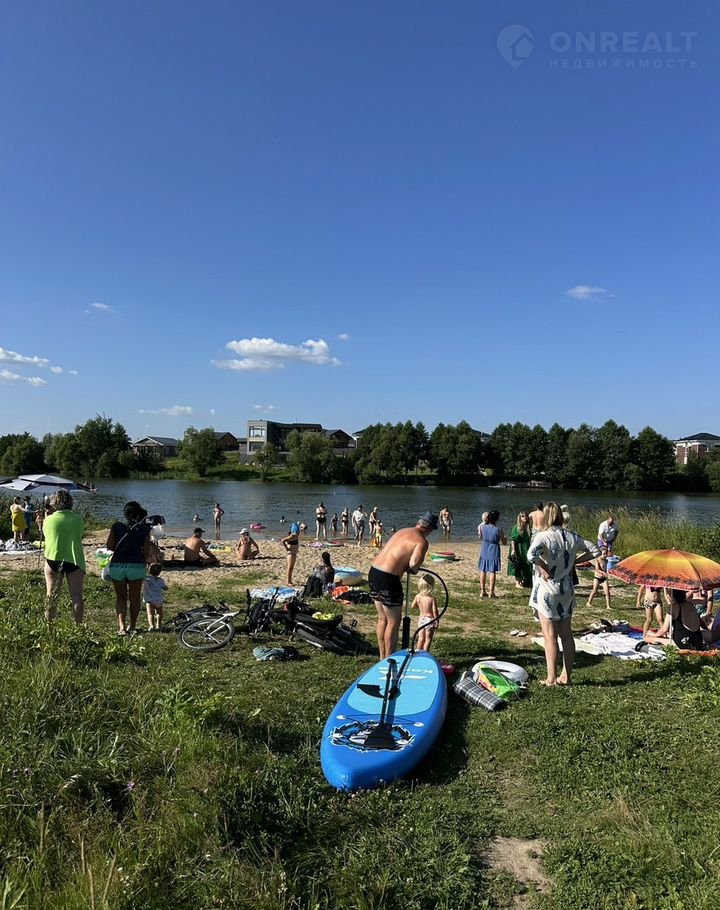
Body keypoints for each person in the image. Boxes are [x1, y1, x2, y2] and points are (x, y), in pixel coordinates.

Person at [528, 502, 601, 686]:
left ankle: (551, 677)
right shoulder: (572, 536)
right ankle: (566, 676)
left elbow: (531, 555)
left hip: (548, 588)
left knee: (550, 635)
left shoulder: (543, 536)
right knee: (566, 634)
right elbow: (596, 550)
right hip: (566, 589)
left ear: (546, 516)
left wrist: (543, 565)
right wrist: (575, 561)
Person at [369, 511, 438, 659]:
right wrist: (414, 568)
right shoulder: (422, 542)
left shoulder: (402, 531)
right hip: (389, 578)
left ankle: (382, 657)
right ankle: (389, 659)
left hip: (374, 572)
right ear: (430, 530)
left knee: (382, 619)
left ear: (418, 523)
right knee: (393, 622)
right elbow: (413, 564)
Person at [107, 501, 154, 634]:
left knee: (120, 597)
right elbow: (146, 554)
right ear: (139, 514)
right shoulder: (144, 530)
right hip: (136, 565)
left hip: (118, 564)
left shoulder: (116, 526)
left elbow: (110, 546)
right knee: (134, 597)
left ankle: (122, 627)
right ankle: (132, 626)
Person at [43, 489, 86, 624]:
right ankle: (78, 625)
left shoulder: (48, 520)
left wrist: (45, 519)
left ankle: (50, 625)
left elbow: (46, 535)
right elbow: (80, 535)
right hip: (74, 559)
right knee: (76, 595)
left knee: (51, 595)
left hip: (53, 557)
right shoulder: (78, 519)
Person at [645, 589, 712, 650]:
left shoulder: (673, 607)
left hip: (684, 642)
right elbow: (698, 622)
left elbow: (664, 630)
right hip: (698, 641)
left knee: (650, 638)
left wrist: (652, 634)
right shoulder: (690, 604)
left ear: (672, 595)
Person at [477, 510, 507, 598]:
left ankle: (482, 591)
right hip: (494, 548)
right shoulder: (499, 529)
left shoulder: (482, 527)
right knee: (492, 571)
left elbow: (481, 537)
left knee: (483, 570)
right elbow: (504, 542)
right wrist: (505, 538)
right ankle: (491, 592)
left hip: (484, 547)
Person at [412, 573, 439, 652]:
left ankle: (417, 652)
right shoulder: (432, 598)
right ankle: (425, 653)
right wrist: (437, 620)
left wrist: (420, 607)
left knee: (421, 638)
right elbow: (435, 611)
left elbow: (413, 606)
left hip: (421, 619)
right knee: (428, 639)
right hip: (429, 620)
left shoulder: (418, 596)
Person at [508, 511, 532, 589]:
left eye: (526, 516)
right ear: (519, 518)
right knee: (517, 563)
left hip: (526, 547)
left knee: (526, 563)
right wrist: (513, 550)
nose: (525, 517)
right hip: (518, 547)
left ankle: (524, 580)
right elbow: (513, 539)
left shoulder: (528, 527)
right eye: (522, 516)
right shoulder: (516, 527)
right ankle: (517, 582)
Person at [144, 563, 167, 631]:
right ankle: (159, 625)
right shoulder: (161, 580)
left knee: (150, 614)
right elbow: (164, 588)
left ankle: (152, 625)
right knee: (159, 613)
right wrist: (166, 588)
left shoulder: (147, 579)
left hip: (150, 599)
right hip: (159, 599)